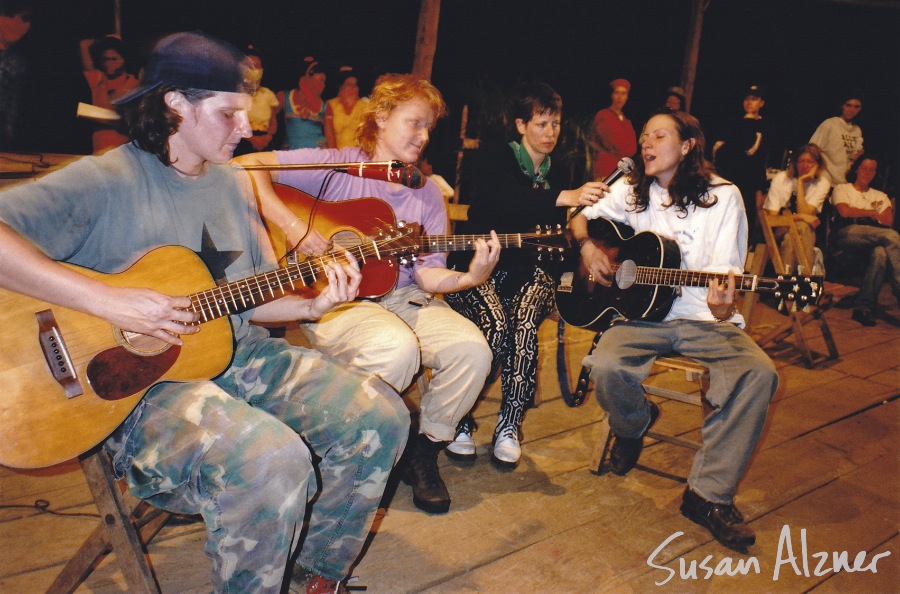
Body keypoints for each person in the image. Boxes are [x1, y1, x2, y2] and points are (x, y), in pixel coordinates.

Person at [0, 32, 408, 594]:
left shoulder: (235, 185)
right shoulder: (106, 180)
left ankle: (318, 578)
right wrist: (105, 299)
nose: (248, 127)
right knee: (271, 460)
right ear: (176, 104)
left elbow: (254, 296)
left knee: (381, 416)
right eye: (230, 112)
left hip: (240, 357)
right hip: (139, 392)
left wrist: (315, 303)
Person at [234, 73, 499, 515]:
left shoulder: (427, 192)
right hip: (338, 301)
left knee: (472, 351)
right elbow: (246, 167)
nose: (424, 135)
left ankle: (423, 450)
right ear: (380, 116)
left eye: (429, 126)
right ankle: (352, 450)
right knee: (395, 350)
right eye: (415, 122)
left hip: (405, 299)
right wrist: (295, 226)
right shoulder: (337, 165)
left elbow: (430, 277)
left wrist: (471, 277)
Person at [569, 109, 778, 552]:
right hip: (642, 316)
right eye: (643, 137)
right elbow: (578, 215)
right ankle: (634, 424)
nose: (645, 144)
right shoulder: (631, 189)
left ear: (686, 147)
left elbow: (725, 282)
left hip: (705, 319)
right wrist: (588, 247)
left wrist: (724, 308)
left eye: (658, 136)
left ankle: (708, 495)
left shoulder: (724, 197)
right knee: (605, 365)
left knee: (759, 373)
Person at [443, 81, 606, 469]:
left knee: (524, 324)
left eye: (555, 124)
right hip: (479, 267)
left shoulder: (563, 165)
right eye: (541, 124)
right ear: (521, 125)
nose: (550, 133)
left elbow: (577, 217)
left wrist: (583, 241)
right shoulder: (495, 159)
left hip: (533, 268)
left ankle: (509, 425)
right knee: (495, 327)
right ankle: (459, 420)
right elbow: (496, 203)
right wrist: (563, 197)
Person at [830, 154, 899, 327]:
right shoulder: (842, 189)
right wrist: (871, 212)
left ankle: (863, 308)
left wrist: (860, 210)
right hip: (847, 234)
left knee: (881, 253)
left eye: (872, 169)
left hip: (874, 239)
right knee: (892, 236)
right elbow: (845, 212)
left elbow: (887, 221)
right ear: (856, 169)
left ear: (876, 173)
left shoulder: (880, 195)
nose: (867, 172)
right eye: (864, 168)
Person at [712, 85, 769, 243]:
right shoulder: (733, 123)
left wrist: (760, 188)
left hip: (749, 184)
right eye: (747, 99)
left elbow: (758, 157)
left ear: (761, 103)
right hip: (728, 178)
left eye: (754, 99)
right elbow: (719, 150)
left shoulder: (764, 127)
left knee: (744, 221)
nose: (750, 102)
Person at [762, 143, 830, 274]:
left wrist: (800, 182)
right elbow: (773, 219)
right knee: (802, 227)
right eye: (801, 161)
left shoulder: (822, 183)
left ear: (818, 165)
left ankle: (785, 280)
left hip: (800, 233)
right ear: (794, 163)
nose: (805, 166)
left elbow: (804, 212)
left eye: (810, 162)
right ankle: (806, 282)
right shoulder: (781, 178)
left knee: (796, 233)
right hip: (777, 230)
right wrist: (800, 217)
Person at [79, 35, 140, 153]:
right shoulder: (98, 80)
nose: (109, 63)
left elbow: (130, 122)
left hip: (122, 156)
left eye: (114, 59)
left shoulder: (134, 85)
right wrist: (105, 41)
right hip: (99, 155)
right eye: (105, 59)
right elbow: (84, 44)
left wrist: (92, 114)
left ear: (124, 59)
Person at [233, 45, 279, 156]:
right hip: (240, 143)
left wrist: (268, 137)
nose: (252, 70)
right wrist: (252, 140)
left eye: (256, 66)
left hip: (265, 143)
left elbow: (273, 122)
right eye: (248, 66)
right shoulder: (233, 94)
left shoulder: (268, 94)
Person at [809, 93, 863, 185]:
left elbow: (850, 157)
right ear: (842, 106)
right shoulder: (830, 124)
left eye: (856, 107)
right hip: (825, 179)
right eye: (848, 105)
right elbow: (811, 149)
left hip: (843, 180)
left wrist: (856, 158)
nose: (852, 110)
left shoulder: (857, 130)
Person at [590, 78, 637, 180]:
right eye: (617, 93)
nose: (620, 97)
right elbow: (611, 142)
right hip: (605, 168)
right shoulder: (604, 114)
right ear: (612, 95)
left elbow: (633, 148)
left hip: (622, 170)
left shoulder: (625, 119)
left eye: (623, 93)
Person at [0, 0, 32, 150]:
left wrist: (8, 135)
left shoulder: (17, 62)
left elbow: (12, 104)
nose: (27, 27)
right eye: (23, 18)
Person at [278, 56, 327, 149]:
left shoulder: (325, 106)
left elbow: (330, 135)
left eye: (324, 81)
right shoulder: (283, 97)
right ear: (308, 75)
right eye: (321, 80)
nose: (323, 85)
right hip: (291, 154)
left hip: (318, 155)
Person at [324, 65, 368, 149]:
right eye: (349, 85)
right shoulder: (331, 105)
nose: (352, 89)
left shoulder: (365, 106)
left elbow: (367, 137)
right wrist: (336, 158)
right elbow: (329, 135)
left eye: (355, 86)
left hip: (359, 155)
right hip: (337, 155)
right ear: (341, 87)